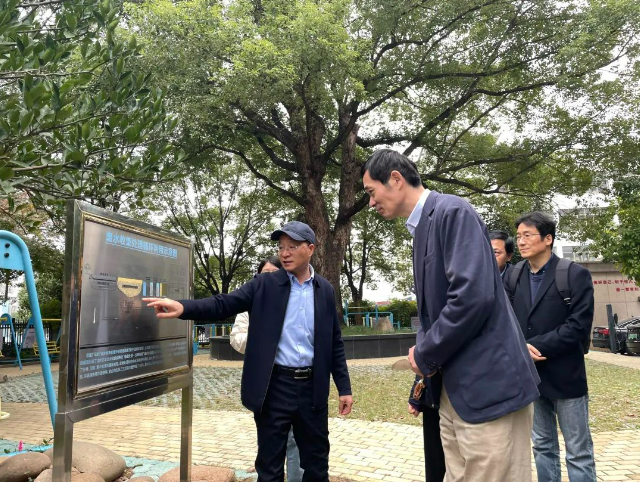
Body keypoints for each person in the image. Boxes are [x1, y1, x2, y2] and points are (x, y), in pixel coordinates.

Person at [362, 149, 540, 482]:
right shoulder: (422, 229)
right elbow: (433, 315)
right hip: (455, 393)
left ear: (396, 179)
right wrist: (423, 365)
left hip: (488, 389)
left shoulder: (452, 212)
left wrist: (424, 354)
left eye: (372, 192)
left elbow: (472, 298)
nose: (371, 203)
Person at [144, 221, 352, 482]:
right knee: (269, 466)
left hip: (313, 390)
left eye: (292, 246)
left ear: (310, 249)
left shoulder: (325, 290)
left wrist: (344, 388)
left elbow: (334, 342)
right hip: (275, 387)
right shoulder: (264, 284)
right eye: (281, 247)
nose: (284, 253)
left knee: (317, 465)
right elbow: (224, 304)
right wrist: (184, 308)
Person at [510, 211, 596, 482]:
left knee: (578, 451)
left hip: (566, 376)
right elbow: (503, 320)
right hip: (531, 378)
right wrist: (518, 348)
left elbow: (578, 326)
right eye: (518, 236)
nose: (521, 241)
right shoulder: (513, 276)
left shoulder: (574, 274)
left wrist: (530, 347)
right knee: (542, 446)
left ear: (548, 239)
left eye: (528, 235)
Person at [229, 256, 303, 482]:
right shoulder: (249, 303)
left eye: (274, 273)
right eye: (264, 274)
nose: (269, 278)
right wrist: (261, 336)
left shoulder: (295, 299)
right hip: (264, 384)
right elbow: (236, 339)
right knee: (270, 441)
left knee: (295, 440)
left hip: (294, 382)